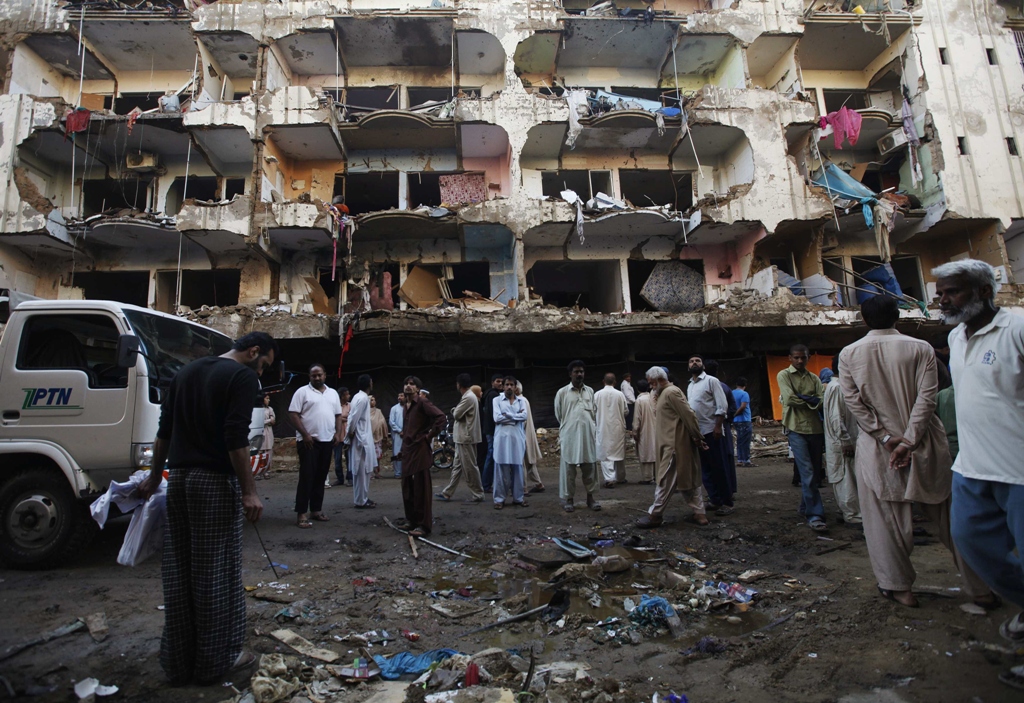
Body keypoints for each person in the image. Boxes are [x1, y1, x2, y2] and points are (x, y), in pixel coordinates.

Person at [138, 331, 278, 685]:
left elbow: (163, 430)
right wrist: (249, 491)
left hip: (179, 480)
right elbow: (235, 437)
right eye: (264, 365)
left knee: (179, 570)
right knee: (217, 572)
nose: (261, 373)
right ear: (254, 351)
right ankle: (217, 660)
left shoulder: (186, 372)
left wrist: (155, 477)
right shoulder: (242, 376)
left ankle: (178, 660)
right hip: (214, 481)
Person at [839, 294, 993, 609]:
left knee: (884, 523)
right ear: (898, 316)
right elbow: (927, 398)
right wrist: (910, 439)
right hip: (925, 445)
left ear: (865, 320)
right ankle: (981, 589)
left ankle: (899, 589)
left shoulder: (849, 354)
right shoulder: (920, 348)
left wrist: (886, 438)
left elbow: (854, 403)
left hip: (880, 450)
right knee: (953, 521)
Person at [933, 259, 1024, 682]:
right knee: (971, 541)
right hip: (972, 467)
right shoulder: (955, 335)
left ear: (984, 291)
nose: (942, 298)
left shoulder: (1017, 328)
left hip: (1019, 470)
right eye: (941, 290)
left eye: (953, 291)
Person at [636, 367, 708, 528]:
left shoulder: (671, 392)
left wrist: (697, 436)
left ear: (660, 380)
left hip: (675, 446)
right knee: (686, 480)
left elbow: (689, 415)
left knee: (665, 481)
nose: (651, 387)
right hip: (672, 444)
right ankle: (700, 513)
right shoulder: (663, 394)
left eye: (652, 383)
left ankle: (655, 514)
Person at [777, 345, 827, 532]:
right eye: (796, 357)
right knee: (807, 471)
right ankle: (815, 515)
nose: (799, 361)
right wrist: (811, 400)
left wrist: (804, 399)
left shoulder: (814, 378)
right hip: (795, 428)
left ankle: (806, 506)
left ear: (808, 358)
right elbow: (789, 399)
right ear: (790, 358)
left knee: (814, 470)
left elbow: (822, 401)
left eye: (803, 358)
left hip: (814, 429)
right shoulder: (784, 375)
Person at [289, 363, 344, 528]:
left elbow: (338, 415)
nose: (317, 378)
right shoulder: (302, 392)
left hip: (327, 441)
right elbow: (293, 414)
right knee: (307, 477)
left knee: (321, 476)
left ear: (325, 375)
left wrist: (337, 433)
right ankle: (301, 513)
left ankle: (316, 510)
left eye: (319, 375)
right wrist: (305, 435)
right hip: (309, 443)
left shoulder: (333, 393)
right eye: (314, 375)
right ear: (309, 377)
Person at [399, 375, 447, 536]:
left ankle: (423, 525)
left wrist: (429, 436)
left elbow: (441, 417)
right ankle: (411, 520)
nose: (408, 386)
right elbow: (408, 429)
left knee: (421, 487)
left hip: (420, 449)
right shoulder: (406, 405)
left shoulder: (422, 402)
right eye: (406, 383)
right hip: (408, 449)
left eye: (412, 384)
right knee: (407, 486)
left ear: (418, 389)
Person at [687, 355, 733, 516]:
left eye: (697, 361)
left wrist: (718, 426)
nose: (694, 363)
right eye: (691, 361)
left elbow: (722, 405)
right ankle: (715, 500)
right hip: (698, 433)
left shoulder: (711, 381)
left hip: (712, 431)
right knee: (705, 469)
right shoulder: (690, 385)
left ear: (703, 366)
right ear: (688, 366)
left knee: (718, 467)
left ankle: (727, 502)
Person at [555, 360, 601, 513]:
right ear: (570, 374)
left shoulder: (590, 391)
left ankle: (591, 498)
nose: (579, 374)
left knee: (590, 467)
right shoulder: (562, 392)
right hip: (570, 436)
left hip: (588, 436)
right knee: (569, 469)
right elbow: (559, 414)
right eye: (576, 371)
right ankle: (569, 500)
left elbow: (593, 412)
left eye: (581, 371)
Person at [823, 354, 861, 525]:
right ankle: (852, 514)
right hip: (843, 443)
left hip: (847, 440)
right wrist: (845, 440)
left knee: (848, 477)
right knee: (846, 479)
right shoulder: (837, 387)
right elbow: (836, 418)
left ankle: (850, 512)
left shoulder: (840, 386)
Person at [436, 373, 483, 502]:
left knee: (470, 467)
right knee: (457, 466)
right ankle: (447, 492)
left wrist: (454, 410)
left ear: (459, 384)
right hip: (462, 437)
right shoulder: (469, 396)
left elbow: (456, 414)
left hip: (465, 437)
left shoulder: (468, 397)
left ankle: (478, 493)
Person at [492, 375, 528, 509]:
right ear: (503, 386)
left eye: (511, 385)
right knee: (501, 469)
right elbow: (497, 417)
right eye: (507, 384)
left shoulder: (521, 401)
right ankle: (499, 499)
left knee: (518, 468)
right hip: (502, 438)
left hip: (517, 438)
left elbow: (524, 416)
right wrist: (515, 418)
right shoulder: (497, 400)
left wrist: (508, 416)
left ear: (515, 387)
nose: (509, 387)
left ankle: (518, 498)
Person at [703, 359, 737, 495]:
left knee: (717, 460)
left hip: (715, 427)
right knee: (725, 459)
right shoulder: (724, 386)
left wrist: (719, 421)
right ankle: (727, 490)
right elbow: (732, 408)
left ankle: (723, 493)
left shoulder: (714, 386)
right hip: (722, 426)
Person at [344, 375, 377, 509]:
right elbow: (353, 419)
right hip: (361, 440)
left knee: (363, 471)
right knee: (362, 471)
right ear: (369, 384)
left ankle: (362, 497)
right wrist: (349, 436)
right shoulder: (362, 399)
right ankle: (361, 501)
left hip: (362, 438)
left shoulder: (360, 397)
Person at [595, 373, 628, 488]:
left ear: (603, 381)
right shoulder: (620, 395)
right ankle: (620, 477)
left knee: (606, 453)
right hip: (617, 427)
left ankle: (609, 478)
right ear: (615, 382)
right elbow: (625, 411)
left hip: (602, 427)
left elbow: (592, 411)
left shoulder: (597, 395)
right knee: (618, 451)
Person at [517, 382, 545, 494]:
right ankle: (538, 484)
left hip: (523, 435)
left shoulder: (520, 401)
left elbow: (522, 420)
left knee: (522, 462)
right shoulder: (524, 400)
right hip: (527, 434)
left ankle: (523, 488)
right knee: (529, 461)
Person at [480, 374, 503, 493]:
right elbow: (494, 414)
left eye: (501, 381)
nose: (500, 383)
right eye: (497, 381)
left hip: (489, 429)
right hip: (492, 430)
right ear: (492, 382)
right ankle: (486, 484)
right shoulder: (494, 395)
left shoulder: (489, 394)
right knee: (491, 455)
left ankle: (486, 483)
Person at [632, 379, 657, 485]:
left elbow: (637, 417)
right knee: (655, 451)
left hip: (644, 430)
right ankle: (657, 475)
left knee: (645, 452)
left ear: (637, 389)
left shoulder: (640, 401)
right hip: (657, 429)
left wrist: (635, 431)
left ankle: (647, 477)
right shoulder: (654, 398)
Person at [330, 387, 351, 487]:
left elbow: (351, 417)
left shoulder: (350, 406)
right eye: (346, 394)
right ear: (342, 396)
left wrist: (339, 418)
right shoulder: (335, 406)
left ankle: (350, 478)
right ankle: (340, 478)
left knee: (349, 458)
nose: (348, 396)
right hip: (337, 435)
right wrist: (344, 418)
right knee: (337, 458)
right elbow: (332, 417)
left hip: (347, 436)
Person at [731, 377, 753, 467]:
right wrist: (736, 413)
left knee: (740, 440)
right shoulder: (744, 394)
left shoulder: (732, 393)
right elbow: (743, 406)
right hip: (744, 419)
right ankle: (746, 460)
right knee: (746, 441)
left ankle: (740, 459)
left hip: (736, 421)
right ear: (745, 385)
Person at [369, 395, 388, 479]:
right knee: (369, 456)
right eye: (371, 400)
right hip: (369, 438)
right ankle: (369, 473)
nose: (373, 401)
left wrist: (384, 435)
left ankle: (377, 471)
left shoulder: (378, 412)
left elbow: (383, 423)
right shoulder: (365, 412)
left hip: (378, 437)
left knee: (377, 456)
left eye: (374, 400)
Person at [258, 394, 275, 478]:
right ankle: (259, 471)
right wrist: (268, 420)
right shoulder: (257, 409)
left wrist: (267, 421)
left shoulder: (270, 409)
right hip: (260, 432)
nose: (268, 400)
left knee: (268, 452)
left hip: (268, 432)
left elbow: (273, 421)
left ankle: (267, 471)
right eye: (267, 398)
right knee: (259, 451)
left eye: (269, 398)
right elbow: (258, 421)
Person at [389, 393, 405, 479]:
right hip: (397, 434)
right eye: (398, 396)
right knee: (396, 453)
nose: (399, 398)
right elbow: (391, 422)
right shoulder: (394, 408)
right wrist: (400, 431)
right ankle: (397, 473)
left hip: (407, 434)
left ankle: (405, 471)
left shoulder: (409, 407)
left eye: (402, 396)